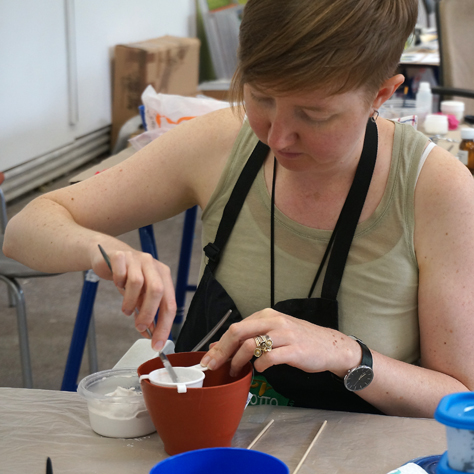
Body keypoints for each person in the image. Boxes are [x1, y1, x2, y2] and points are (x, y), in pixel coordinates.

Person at [4, 0, 474, 417]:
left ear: (382, 95)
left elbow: (462, 400)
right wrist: (104, 250)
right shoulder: (220, 144)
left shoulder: (434, 189)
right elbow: (25, 228)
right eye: (261, 98)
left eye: (314, 115)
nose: (278, 138)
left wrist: (349, 355)